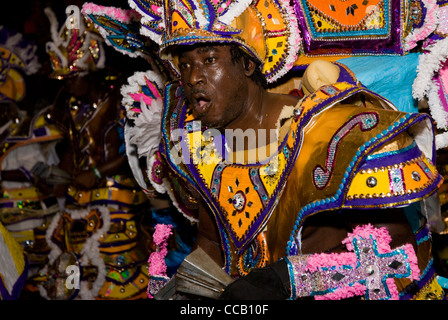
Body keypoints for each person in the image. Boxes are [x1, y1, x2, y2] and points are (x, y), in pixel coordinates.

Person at [84, 0, 447, 300]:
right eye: (185, 65)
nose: (193, 78)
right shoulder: (196, 146)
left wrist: (289, 279)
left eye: (209, 60)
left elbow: (398, 260)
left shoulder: (333, 131)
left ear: (246, 63)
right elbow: (211, 242)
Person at [36, 7, 153, 300]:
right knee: (79, 263)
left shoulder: (121, 99)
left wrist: (99, 173)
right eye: (64, 80)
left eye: (73, 78)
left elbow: (136, 151)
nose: (68, 85)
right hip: (80, 194)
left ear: (90, 73)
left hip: (117, 194)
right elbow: (72, 152)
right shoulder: (69, 106)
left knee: (116, 262)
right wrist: (56, 177)